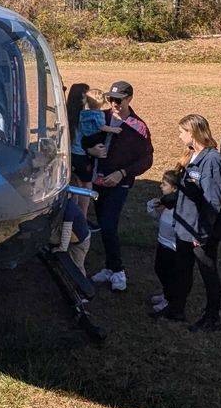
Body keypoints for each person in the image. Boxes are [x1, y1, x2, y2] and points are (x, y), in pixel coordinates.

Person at [158, 114, 221, 331]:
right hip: (184, 227)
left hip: (200, 232)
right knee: (183, 269)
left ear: (193, 133)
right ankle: (176, 309)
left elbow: (213, 201)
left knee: (208, 273)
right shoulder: (192, 156)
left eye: (182, 132)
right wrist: (166, 201)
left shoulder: (212, 160)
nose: (179, 136)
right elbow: (188, 192)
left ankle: (212, 317)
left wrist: (203, 234)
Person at [82, 80, 153, 292]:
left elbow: (146, 159)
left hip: (119, 185)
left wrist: (122, 173)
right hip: (97, 182)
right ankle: (110, 267)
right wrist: (90, 151)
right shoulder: (99, 116)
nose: (113, 103)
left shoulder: (138, 127)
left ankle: (119, 271)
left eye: (118, 100)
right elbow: (82, 139)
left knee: (109, 224)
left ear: (129, 99)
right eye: (111, 99)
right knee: (104, 225)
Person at [146, 167, 182, 317]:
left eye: (164, 184)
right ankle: (166, 294)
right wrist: (151, 207)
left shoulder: (179, 207)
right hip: (163, 243)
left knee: (169, 274)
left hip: (173, 248)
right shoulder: (165, 203)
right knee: (159, 269)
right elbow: (158, 217)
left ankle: (170, 299)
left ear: (174, 188)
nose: (161, 186)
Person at [64, 83, 104, 217]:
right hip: (82, 155)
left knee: (73, 184)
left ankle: (70, 215)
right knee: (86, 186)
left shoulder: (66, 113)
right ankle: (83, 217)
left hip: (70, 156)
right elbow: (89, 136)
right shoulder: (85, 116)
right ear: (82, 97)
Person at [49, 197, 90, 278]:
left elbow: (67, 231)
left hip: (80, 243)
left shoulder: (68, 208)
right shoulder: (65, 204)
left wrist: (62, 248)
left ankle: (81, 287)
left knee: (76, 267)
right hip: (69, 236)